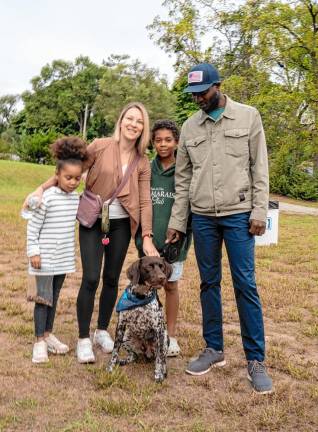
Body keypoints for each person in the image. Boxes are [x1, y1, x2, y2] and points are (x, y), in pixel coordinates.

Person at [166, 63, 273, 394]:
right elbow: (183, 180)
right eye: (193, 94)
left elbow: (260, 167)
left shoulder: (248, 116)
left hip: (240, 214)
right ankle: (214, 349)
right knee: (208, 283)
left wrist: (259, 210)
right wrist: (177, 223)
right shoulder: (190, 127)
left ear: (218, 86)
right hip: (202, 218)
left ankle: (256, 360)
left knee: (245, 284)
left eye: (203, 92)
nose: (198, 98)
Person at [25, 102, 158, 363]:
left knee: (111, 278)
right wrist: (41, 188)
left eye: (139, 121)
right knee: (91, 278)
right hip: (93, 220)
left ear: (144, 128)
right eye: (129, 118)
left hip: (120, 225)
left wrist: (147, 236)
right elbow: (71, 170)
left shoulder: (142, 161)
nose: (133, 124)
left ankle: (101, 331)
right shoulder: (99, 146)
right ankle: (83, 339)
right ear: (121, 121)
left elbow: (145, 201)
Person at [27, 137, 87, 363]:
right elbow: (33, 226)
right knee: (42, 299)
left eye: (76, 178)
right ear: (57, 175)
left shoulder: (75, 199)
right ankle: (38, 342)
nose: (72, 182)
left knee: (54, 297)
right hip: (42, 259)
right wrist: (33, 251)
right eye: (68, 177)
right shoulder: (46, 198)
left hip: (62, 260)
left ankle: (48, 334)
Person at [135, 120, 191, 357]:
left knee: (170, 285)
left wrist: (181, 233)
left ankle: (169, 335)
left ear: (177, 141)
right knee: (146, 287)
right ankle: (146, 333)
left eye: (168, 140)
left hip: (174, 244)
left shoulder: (185, 169)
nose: (163, 144)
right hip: (148, 239)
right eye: (158, 140)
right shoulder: (147, 168)